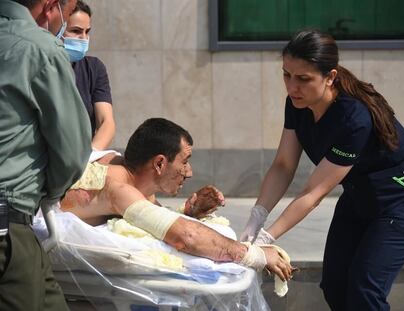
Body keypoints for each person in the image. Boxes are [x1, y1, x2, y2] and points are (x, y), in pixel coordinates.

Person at [240, 29, 404, 310]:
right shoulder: (298, 103)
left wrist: (267, 238)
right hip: (360, 195)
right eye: (286, 75)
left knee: (364, 289)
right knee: (334, 285)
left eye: (303, 79)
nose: (292, 87)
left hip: (403, 199)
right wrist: (256, 217)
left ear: (330, 76)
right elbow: (284, 165)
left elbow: (313, 193)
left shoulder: (354, 118)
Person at [60, 118, 294, 282]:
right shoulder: (118, 188)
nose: (189, 172)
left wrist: (189, 212)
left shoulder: (127, 169)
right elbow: (186, 237)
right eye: (185, 161)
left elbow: (154, 217)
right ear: (160, 163)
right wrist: (256, 255)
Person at [0, 0, 91, 310]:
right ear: (50, 7)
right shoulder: (41, 49)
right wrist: (49, 193)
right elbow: (73, 151)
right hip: (9, 229)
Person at [63, 0, 115, 150]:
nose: (84, 38)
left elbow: (106, 122)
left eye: (87, 31)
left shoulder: (94, 68)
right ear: (58, 28)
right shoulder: (43, 66)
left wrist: (91, 155)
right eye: (76, 31)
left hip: (86, 154)